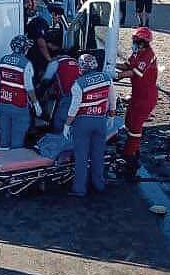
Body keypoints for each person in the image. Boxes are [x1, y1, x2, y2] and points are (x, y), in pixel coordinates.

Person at [65, 54, 116, 197]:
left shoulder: (78, 84)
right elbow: (112, 98)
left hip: (83, 122)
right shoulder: (107, 78)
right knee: (98, 154)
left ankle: (79, 188)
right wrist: (111, 115)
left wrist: (67, 124)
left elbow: (74, 108)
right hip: (100, 121)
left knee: (81, 156)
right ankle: (99, 184)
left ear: (81, 67)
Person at [115, 27, 158, 179]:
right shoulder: (137, 52)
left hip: (145, 97)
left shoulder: (148, 55)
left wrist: (117, 76)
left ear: (142, 42)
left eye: (135, 41)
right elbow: (128, 65)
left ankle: (130, 162)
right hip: (136, 95)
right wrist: (111, 64)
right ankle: (132, 153)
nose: (132, 43)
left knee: (135, 129)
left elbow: (135, 72)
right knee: (128, 123)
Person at [0, 35, 40, 149]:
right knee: (18, 134)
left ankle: (2, 158)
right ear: (24, 48)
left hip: (3, 102)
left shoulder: (3, 60)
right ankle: (14, 159)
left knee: (4, 133)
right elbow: (29, 87)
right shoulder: (26, 63)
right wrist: (36, 104)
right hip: (19, 104)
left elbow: (0, 80)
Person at [50, 51, 80, 133]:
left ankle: (59, 138)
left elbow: (46, 80)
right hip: (81, 94)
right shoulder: (76, 62)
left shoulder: (54, 63)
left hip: (67, 96)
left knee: (59, 120)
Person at [24, 0, 52, 84]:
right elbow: (41, 44)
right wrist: (49, 60)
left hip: (29, 54)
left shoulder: (27, 21)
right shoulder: (40, 22)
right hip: (35, 57)